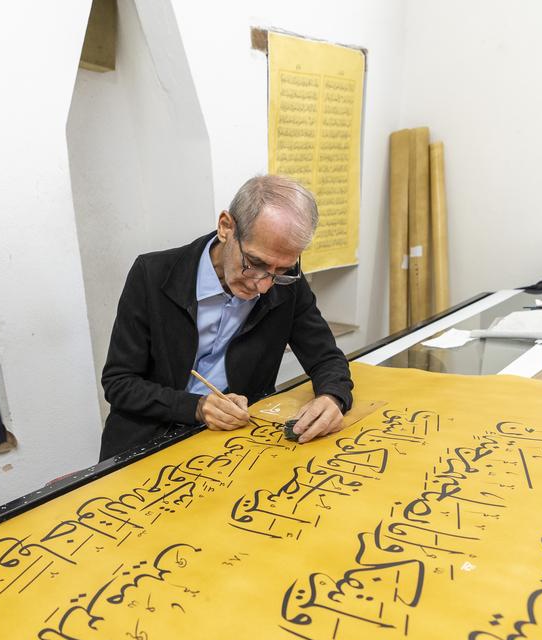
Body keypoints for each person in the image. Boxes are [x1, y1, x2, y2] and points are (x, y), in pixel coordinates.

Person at [99, 175, 354, 460]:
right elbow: (119, 382)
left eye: (281, 270)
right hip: (145, 443)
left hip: (231, 445)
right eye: (254, 263)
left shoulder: (286, 286)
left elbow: (327, 358)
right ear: (226, 227)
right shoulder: (153, 274)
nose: (263, 285)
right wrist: (195, 407)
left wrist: (333, 397)